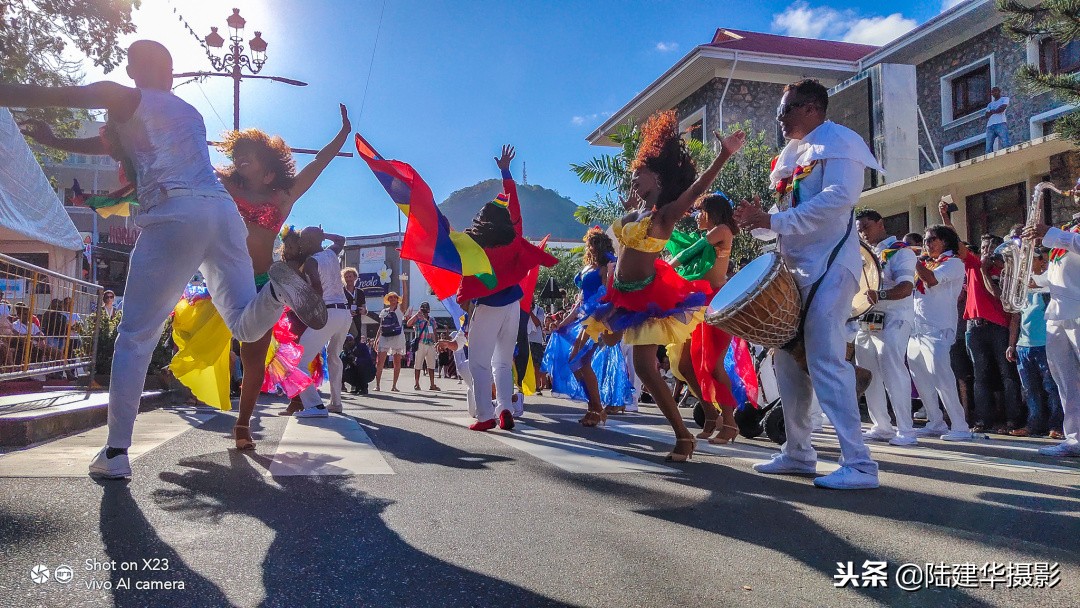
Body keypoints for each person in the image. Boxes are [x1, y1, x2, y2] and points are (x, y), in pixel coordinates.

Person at [2, 40, 324, 478]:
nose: (128, 71)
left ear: (140, 70)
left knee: (136, 335)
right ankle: (277, 287)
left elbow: (63, 96)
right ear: (170, 74)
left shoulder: (126, 96)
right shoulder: (188, 113)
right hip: (222, 214)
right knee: (245, 323)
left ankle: (116, 454)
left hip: (175, 212)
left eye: (132, 64)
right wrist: (55, 137)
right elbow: (117, 145)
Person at [734, 78, 881, 489]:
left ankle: (860, 464)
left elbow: (839, 199)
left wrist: (773, 221)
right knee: (786, 361)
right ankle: (798, 453)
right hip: (793, 272)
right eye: (781, 111)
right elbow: (782, 216)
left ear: (814, 107)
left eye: (789, 108)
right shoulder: (790, 156)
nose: (780, 117)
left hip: (831, 268)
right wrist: (757, 222)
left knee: (825, 361)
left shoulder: (841, 141)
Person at [587, 111, 745, 461]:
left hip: (650, 296)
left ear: (655, 176)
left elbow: (698, 188)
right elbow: (621, 244)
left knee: (645, 367)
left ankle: (684, 436)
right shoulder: (638, 213)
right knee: (606, 344)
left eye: (637, 176)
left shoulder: (666, 214)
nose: (633, 181)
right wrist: (629, 209)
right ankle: (679, 431)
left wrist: (724, 155)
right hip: (623, 295)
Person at [217, 110, 349, 443]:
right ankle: (287, 286)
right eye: (238, 155)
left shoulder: (282, 196)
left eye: (251, 154)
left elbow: (317, 163)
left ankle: (243, 426)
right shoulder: (224, 184)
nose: (242, 158)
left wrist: (343, 134)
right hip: (228, 278)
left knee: (252, 355)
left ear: (269, 166)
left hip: (261, 282)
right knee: (233, 343)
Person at [458, 145, 558, 431]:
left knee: (478, 364)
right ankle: (504, 408)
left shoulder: (474, 246)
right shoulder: (514, 238)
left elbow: (447, 241)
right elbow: (514, 205)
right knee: (502, 362)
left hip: (488, 306)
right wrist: (505, 172)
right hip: (513, 307)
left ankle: (485, 416)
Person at [940, 202, 1024, 433]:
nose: (985, 251)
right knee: (980, 376)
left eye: (990, 247)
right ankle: (983, 420)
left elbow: (1000, 299)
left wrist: (987, 270)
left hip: (999, 327)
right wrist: (946, 219)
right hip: (974, 327)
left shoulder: (1005, 272)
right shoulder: (973, 264)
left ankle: (1013, 421)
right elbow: (956, 243)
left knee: (1007, 376)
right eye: (983, 247)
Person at [667, 192, 740, 444]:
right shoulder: (711, 233)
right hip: (698, 303)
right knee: (686, 364)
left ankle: (730, 423)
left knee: (713, 365)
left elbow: (691, 251)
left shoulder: (722, 231)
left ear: (713, 212)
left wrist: (668, 266)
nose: (698, 216)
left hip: (716, 303)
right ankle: (710, 414)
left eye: (701, 211)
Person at [542, 228, 632, 426]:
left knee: (579, 360)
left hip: (598, 319)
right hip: (584, 318)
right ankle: (594, 407)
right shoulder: (588, 268)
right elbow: (579, 302)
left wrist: (608, 316)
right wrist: (563, 323)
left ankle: (597, 408)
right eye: (588, 243)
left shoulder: (607, 266)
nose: (589, 247)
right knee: (576, 361)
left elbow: (611, 294)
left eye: (592, 243)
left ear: (599, 246)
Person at [853, 209, 918, 445]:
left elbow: (905, 288)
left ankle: (906, 430)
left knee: (892, 367)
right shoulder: (865, 254)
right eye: (859, 229)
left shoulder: (901, 252)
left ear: (881, 224)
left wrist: (878, 294)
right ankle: (882, 425)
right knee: (867, 371)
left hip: (895, 316)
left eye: (866, 227)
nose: (863, 233)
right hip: (869, 319)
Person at [908, 225, 972, 442]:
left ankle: (960, 425)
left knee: (942, 378)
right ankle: (935, 421)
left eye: (932, 239)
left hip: (939, 329)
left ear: (945, 241)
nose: (927, 244)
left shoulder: (953, 263)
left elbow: (931, 280)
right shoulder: (926, 263)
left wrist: (912, 259)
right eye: (926, 240)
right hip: (918, 330)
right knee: (920, 378)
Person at [1024, 210, 1080, 456]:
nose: (1076, 190)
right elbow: (1062, 270)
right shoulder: (1071, 227)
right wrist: (1036, 281)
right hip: (1059, 310)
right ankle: (1075, 437)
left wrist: (1052, 234)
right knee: (1065, 379)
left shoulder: (1064, 234)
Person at [290, 227, 354, 417]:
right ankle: (336, 403)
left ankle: (314, 406)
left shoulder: (311, 262)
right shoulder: (331, 253)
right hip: (344, 314)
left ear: (309, 241)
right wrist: (322, 236)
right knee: (334, 357)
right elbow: (341, 238)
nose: (301, 243)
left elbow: (317, 291)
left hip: (328, 313)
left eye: (303, 240)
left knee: (297, 361)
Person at [1006, 250, 1063, 438]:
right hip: (1024, 344)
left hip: (1046, 343)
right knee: (1030, 389)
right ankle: (1034, 424)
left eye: (1030, 260)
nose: (1025, 264)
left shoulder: (1051, 281)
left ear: (1042, 261)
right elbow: (1015, 317)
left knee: (1051, 387)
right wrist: (1011, 344)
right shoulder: (1021, 285)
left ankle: (1057, 426)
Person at [375, 291, 409, 391]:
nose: (393, 299)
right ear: (388, 300)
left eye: (395, 297)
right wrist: (377, 339)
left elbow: (405, 296)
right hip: (385, 337)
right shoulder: (384, 311)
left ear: (397, 299)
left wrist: (404, 281)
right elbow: (380, 326)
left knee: (397, 362)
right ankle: (377, 385)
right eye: (391, 297)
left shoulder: (400, 309)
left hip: (397, 337)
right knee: (380, 362)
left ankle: (394, 386)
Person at [406, 302, 440, 391]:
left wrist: (436, 343)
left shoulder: (432, 320)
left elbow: (435, 333)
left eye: (426, 308)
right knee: (418, 364)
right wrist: (416, 315)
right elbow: (408, 324)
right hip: (421, 343)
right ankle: (417, 384)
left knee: (431, 365)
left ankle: (432, 384)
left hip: (430, 344)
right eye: (423, 308)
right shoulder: (417, 319)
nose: (424, 310)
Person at [984, 87, 1010, 154]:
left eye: (995, 91)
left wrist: (993, 111)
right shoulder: (990, 104)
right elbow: (986, 115)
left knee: (1005, 143)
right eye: (992, 92)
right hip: (990, 126)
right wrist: (995, 111)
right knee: (988, 147)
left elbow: (1002, 108)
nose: (994, 93)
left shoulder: (1005, 99)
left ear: (999, 91)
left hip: (1001, 123)